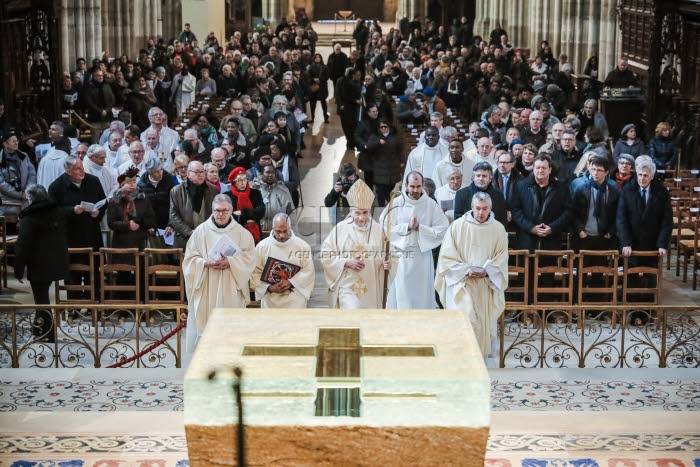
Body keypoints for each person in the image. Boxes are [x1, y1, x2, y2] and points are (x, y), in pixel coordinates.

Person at [435, 192, 508, 366]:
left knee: (483, 322)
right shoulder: (457, 227)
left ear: (490, 208)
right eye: (477, 208)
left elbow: (502, 257)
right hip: (462, 283)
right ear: (471, 207)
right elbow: (446, 257)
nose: (481, 213)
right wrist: (465, 271)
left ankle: (479, 363)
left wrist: (487, 271)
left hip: (485, 284)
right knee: (465, 317)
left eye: (484, 209)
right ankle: (461, 361)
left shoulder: (498, 229)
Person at [183, 195, 255, 351]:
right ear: (212, 210)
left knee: (230, 331)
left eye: (224, 211)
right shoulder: (200, 231)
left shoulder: (242, 233)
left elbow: (250, 258)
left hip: (230, 286)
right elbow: (189, 259)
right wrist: (205, 263)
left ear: (231, 211)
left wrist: (231, 262)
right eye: (217, 211)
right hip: (207, 283)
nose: (220, 214)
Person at [379, 171, 449, 309]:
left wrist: (420, 229)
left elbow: (443, 228)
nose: (416, 190)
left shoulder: (430, 204)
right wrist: (407, 227)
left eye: (418, 186)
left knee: (422, 296)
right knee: (403, 295)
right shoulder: (397, 203)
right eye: (412, 186)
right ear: (405, 185)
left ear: (423, 185)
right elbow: (384, 226)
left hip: (422, 258)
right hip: (402, 256)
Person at [320, 179, 391, 309]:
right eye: (357, 213)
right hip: (348, 286)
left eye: (365, 212)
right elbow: (325, 254)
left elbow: (388, 255)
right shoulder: (340, 229)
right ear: (351, 211)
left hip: (372, 287)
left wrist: (386, 263)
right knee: (351, 314)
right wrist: (345, 262)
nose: (361, 217)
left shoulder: (378, 230)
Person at [14, 184, 68, 343]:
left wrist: (18, 270)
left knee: (41, 299)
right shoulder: (57, 211)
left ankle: (46, 332)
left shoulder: (29, 217)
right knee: (42, 298)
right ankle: (39, 329)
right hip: (57, 259)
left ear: (31, 199)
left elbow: (22, 245)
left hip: (39, 264)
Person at [251, 213, 315, 308]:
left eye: (285, 231)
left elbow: (308, 271)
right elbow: (255, 272)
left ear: (290, 228)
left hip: (295, 298)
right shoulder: (262, 247)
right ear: (273, 228)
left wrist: (291, 282)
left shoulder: (302, 246)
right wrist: (269, 287)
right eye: (278, 231)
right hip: (271, 298)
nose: (282, 235)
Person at [510, 155, 570, 252]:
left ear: (550, 170)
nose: (540, 170)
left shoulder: (561, 188)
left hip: (552, 239)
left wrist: (552, 227)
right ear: (533, 169)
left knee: (549, 267)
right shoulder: (521, 186)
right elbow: (516, 211)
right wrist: (531, 227)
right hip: (527, 239)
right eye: (538, 167)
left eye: (544, 168)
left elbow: (567, 211)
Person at [570, 156, 619, 252]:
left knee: (601, 266)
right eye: (593, 169)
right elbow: (573, 213)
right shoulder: (582, 189)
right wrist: (580, 230)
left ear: (606, 172)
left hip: (604, 237)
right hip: (584, 236)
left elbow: (617, 214)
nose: (595, 173)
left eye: (599, 170)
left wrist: (610, 232)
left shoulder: (613, 190)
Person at [169, 160, 218, 249]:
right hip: (185, 239)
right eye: (196, 172)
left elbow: (216, 213)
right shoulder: (176, 191)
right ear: (188, 174)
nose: (201, 174)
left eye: (202, 171)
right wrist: (189, 232)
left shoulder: (213, 190)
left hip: (207, 238)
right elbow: (173, 216)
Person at [107, 166, 156, 250]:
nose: (132, 184)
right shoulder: (115, 200)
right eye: (129, 182)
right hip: (121, 243)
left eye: (134, 181)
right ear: (122, 184)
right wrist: (127, 224)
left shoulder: (143, 198)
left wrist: (139, 221)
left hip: (140, 242)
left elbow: (151, 219)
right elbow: (111, 223)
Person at [454, 161, 507, 226]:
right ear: (473, 177)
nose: (481, 179)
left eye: (484, 176)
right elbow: (458, 220)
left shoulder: (498, 195)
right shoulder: (461, 194)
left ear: (490, 178)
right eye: (478, 175)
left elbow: (502, 220)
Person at [0, 130, 37, 217]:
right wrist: (20, 194)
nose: (16, 143)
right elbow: (1, 183)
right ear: (5, 144)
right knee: (9, 228)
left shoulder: (24, 156)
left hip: (25, 201)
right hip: (8, 202)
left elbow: (32, 174)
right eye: (13, 141)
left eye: (17, 141)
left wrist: (27, 191)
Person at [225, 166, 265, 243]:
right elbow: (229, 216)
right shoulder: (227, 196)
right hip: (235, 234)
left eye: (245, 179)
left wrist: (242, 213)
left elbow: (261, 211)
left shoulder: (255, 193)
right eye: (239, 180)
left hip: (255, 235)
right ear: (234, 182)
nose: (243, 183)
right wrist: (249, 217)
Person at [138, 157, 175, 238]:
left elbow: (174, 206)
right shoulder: (141, 186)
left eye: (161, 169)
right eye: (156, 172)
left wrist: (171, 224)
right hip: (149, 228)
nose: (160, 173)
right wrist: (147, 225)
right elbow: (140, 210)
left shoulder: (169, 182)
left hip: (167, 226)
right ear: (149, 172)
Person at [258, 165, 293, 232]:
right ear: (262, 174)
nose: (270, 175)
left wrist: (293, 233)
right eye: (267, 172)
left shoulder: (283, 190)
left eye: (272, 173)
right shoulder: (255, 189)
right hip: (259, 231)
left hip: (278, 232)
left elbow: (291, 213)